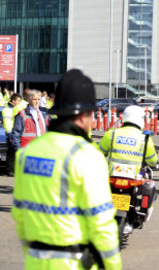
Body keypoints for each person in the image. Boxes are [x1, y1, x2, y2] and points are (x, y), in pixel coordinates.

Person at [12, 69, 122, 269]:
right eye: (92, 115)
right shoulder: (87, 156)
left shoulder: (26, 154)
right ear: (82, 116)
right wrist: (113, 265)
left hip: (35, 261)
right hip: (74, 262)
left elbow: (19, 214)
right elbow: (102, 224)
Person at [99, 105, 159, 173]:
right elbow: (152, 161)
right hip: (135, 177)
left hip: (112, 176)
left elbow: (99, 152)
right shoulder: (145, 138)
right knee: (150, 182)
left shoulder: (112, 133)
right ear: (141, 119)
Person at [2, 93, 22, 176]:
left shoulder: (14, 108)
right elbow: (7, 123)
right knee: (11, 152)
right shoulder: (7, 110)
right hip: (11, 132)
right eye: (18, 100)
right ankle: (10, 170)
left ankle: (13, 169)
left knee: (14, 152)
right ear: (13, 100)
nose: (19, 102)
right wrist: (10, 134)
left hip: (15, 132)